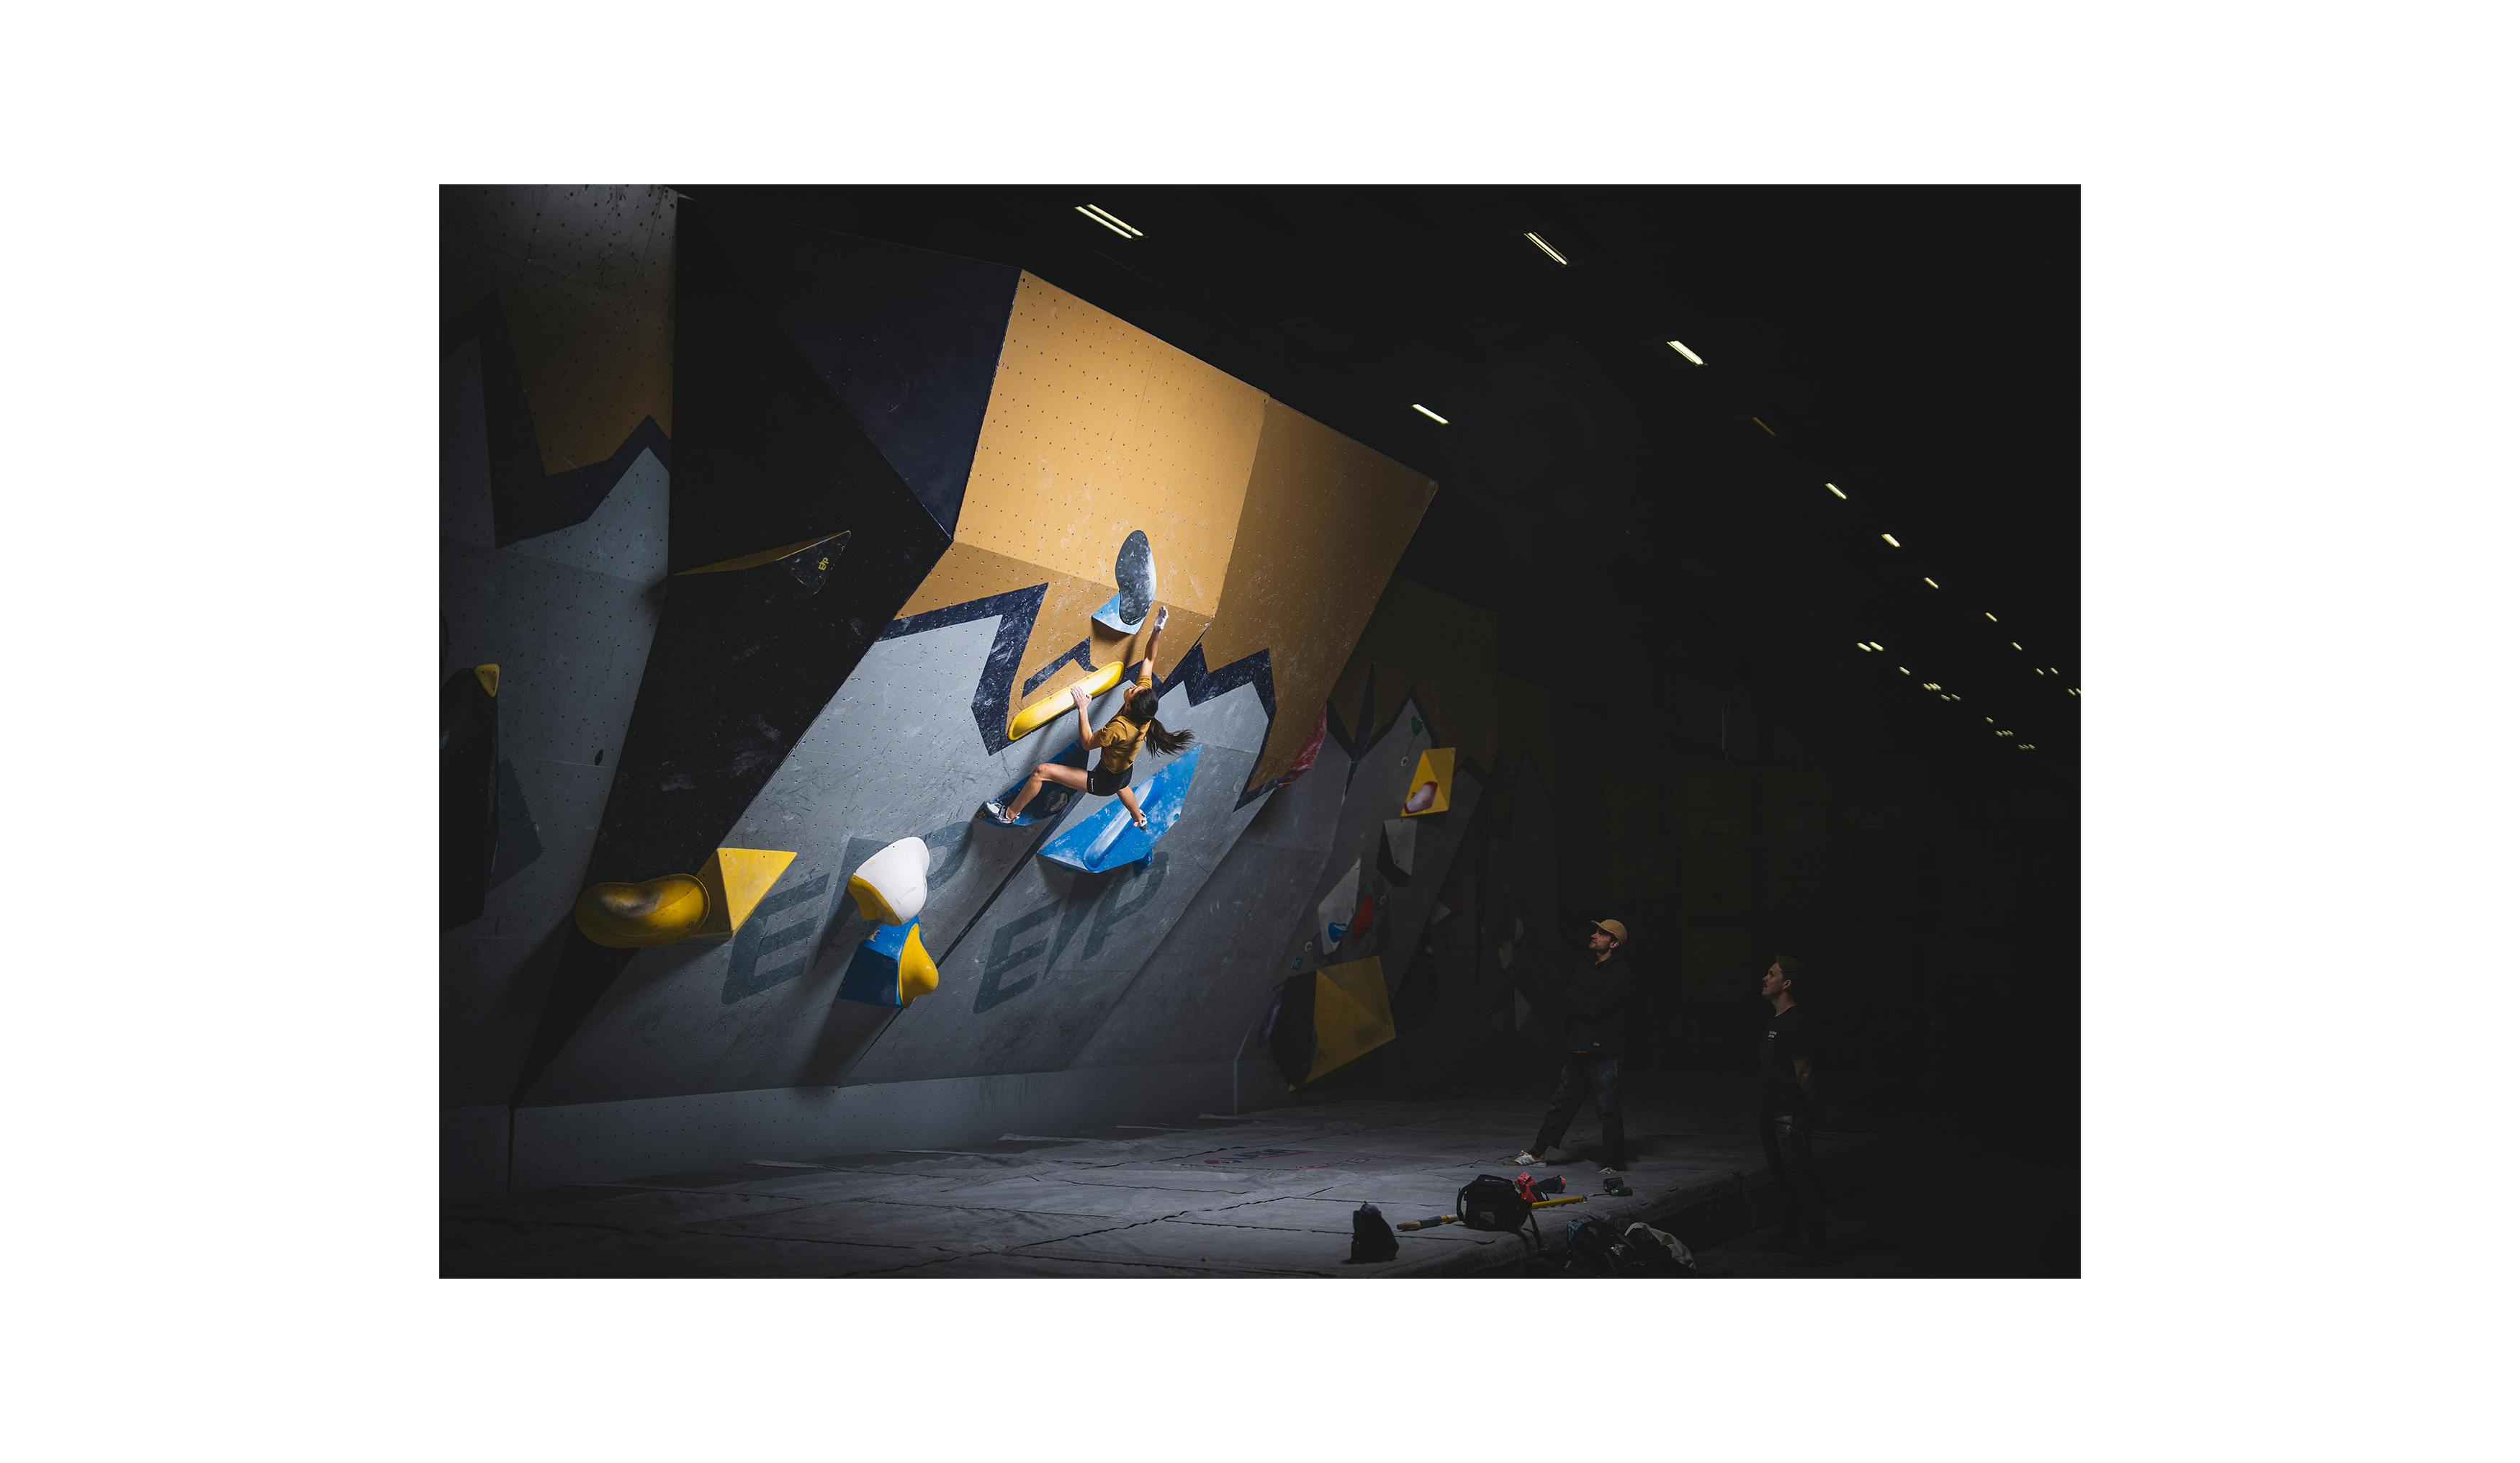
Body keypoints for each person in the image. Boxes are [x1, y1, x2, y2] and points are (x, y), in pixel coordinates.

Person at [986, 607, 1193, 830]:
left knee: (1042, 772)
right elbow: (1150, 659)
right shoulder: (1144, 705)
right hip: (1123, 772)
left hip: (1103, 781)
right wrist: (1158, 628)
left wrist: (1083, 708)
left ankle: (1009, 814)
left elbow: (1087, 743)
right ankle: (1139, 817)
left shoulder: (1120, 728)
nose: (1133, 686)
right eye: (1137, 688)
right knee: (1122, 786)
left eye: (1132, 691)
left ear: (1131, 706)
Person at [1511, 918, 1634, 1176]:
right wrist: (1581, 1001)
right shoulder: (1584, 965)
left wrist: (1580, 1000)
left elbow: (1593, 1008)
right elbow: (1569, 1000)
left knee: (1608, 1109)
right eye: (1596, 931)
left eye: (1601, 934)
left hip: (1605, 1052)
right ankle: (1538, 1153)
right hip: (1579, 1047)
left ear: (1614, 943)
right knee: (1561, 1103)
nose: (1594, 935)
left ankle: (1614, 1162)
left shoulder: (1620, 972)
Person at [1759, 955, 1824, 1251]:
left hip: (1789, 1113)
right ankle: (1788, 1235)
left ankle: (1815, 1244)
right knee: (1783, 1178)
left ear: (1786, 983)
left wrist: (1811, 1110)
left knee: (1801, 1179)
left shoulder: (1797, 1022)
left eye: (1771, 974)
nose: (1765, 978)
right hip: (1772, 1112)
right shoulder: (1776, 1020)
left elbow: (1805, 1071)